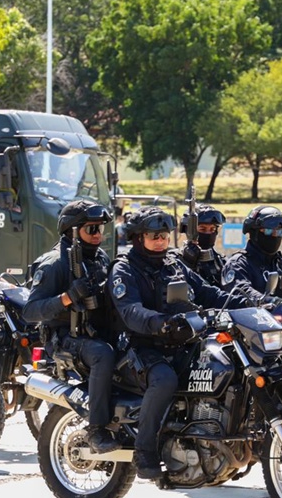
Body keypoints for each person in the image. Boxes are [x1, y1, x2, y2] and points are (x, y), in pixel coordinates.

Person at [108, 206, 256, 479]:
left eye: (164, 236)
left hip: (181, 342)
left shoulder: (172, 265)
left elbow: (208, 292)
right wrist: (161, 322)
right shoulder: (124, 269)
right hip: (139, 346)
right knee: (164, 380)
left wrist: (250, 303)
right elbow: (130, 311)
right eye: (155, 236)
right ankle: (145, 451)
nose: (162, 242)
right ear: (139, 238)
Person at [24, 199, 118, 453]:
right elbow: (30, 311)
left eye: (100, 228)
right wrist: (67, 297)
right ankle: (97, 429)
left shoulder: (98, 257)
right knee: (103, 355)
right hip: (65, 337)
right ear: (73, 231)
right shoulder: (55, 262)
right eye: (92, 229)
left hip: (95, 330)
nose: (98, 234)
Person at [221, 205, 282, 297]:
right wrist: (267, 301)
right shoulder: (238, 265)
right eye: (269, 231)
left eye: (279, 232)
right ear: (254, 232)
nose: (275, 236)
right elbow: (240, 292)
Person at [179, 204, 228, 288]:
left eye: (212, 229)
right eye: (202, 229)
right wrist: (187, 263)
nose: (208, 234)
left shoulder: (220, 262)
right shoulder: (175, 260)